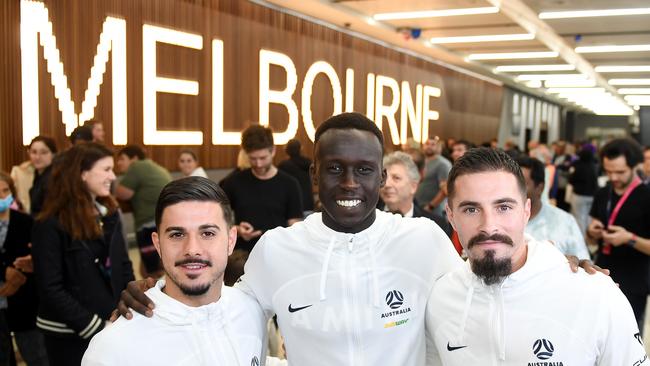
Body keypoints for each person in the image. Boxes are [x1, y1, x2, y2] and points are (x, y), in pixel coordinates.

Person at [118, 112, 463, 365]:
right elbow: (223, 312)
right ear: (314, 174)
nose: (349, 182)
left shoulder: (423, 240)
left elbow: (470, 305)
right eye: (334, 168)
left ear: (381, 176)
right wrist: (162, 299)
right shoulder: (279, 248)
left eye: (364, 169)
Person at [426, 147, 646, 365]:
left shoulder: (595, 294)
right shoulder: (439, 298)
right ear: (451, 216)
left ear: (526, 211)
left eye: (503, 207)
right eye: (471, 210)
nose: (489, 226)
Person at [82, 177, 270, 366]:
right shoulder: (113, 349)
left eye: (208, 233)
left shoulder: (251, 309)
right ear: (157, 244)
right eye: (177, 235)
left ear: (230, 240)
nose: (192, 249)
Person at [32, 143, 135, 365]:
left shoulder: (110, 215)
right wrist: (94, 326)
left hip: (109, 326)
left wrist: (129, 309)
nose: (113, 176)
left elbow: (123, 266)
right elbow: (50, 288)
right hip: (68, 335)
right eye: (106, 169)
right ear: (83, 173)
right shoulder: (49, 224)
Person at [587, 138, 650, 333]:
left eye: (620, 172)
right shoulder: (603, 193)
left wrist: (629, 239)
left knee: (627, 335)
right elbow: (589, 240)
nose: (613, 177)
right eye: (608, 171)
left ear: (634, 166)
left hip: (634, 280)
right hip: (602, 274)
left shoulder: (646, 196)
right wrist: (591, 231)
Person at [220, 125, 303, 252]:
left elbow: (295, 226)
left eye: (263, 158)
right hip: (243, 255)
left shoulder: (290, 184)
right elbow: (218, 218)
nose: (258, 164)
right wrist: (236, 228)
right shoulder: (234, 182)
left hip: (278, 252)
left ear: (273, 151)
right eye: (253, 159)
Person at [0, 172, 48, 366]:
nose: (2, 197)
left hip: (24, 301)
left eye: (5, 191)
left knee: (36, 355)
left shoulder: (26, 222)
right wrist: (5, 271)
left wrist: (24, 269)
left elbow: (37, 256)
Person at [517, 156, 590, 260]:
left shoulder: (564, 222)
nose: (512, 191)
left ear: (540, 188)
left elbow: (583, 262)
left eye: (521, 185)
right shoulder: (497, 222)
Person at [115, 145, 171, 278]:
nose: (119, 163)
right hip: (163, 221)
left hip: (149, 225)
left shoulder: (137, 166)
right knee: (146, 269)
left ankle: (157, 298)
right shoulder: (156, 167)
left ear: (134, 158)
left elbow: (123, 194)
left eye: (122, 159)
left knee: (153, 272)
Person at [379, 151, 452, 237]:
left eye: (396, 178)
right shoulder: (366, 221)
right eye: (383, 177)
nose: (387, 184)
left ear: (413, 187)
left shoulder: (435, 226)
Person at [415, 136, 452, 216]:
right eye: (427, 144)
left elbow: (445, 190)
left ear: (438, 147)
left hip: (434, 210)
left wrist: (431, 206)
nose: (429, 146)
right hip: (419, 207)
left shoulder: (443, 164)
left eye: (433, 144)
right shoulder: (421, 161)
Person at [278, 139, 314, 214]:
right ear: (300, 149)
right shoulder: (309, 163)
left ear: (286, 150)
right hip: (307, 204)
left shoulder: (283, 166)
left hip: (290, 206)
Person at [569, 146, 598, 235]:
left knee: (579, 217)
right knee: (588, 217)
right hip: (592, 196)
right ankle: (589, 236)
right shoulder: (595, 166)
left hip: (579, 195)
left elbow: (571, 180)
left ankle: (581, 238)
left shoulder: (579, 166)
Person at [28, 136, 57, 217]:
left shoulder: (53, 178)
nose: (38, 157)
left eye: (44, 152)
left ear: (53, 154)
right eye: (34, 152)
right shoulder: (38, 174)